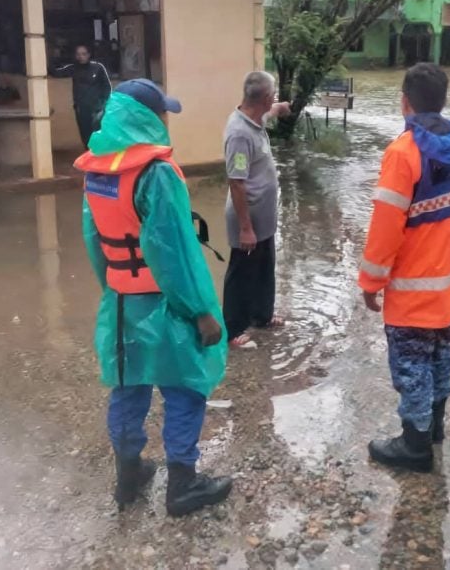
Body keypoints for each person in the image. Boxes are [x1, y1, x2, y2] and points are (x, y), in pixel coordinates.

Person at [74, 78, 232, 517]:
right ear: (146, 117)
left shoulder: (97, 170)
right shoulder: (156, 172)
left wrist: (113, 290)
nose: (165, 120)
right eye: (162, 112)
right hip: (164, 303)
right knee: (185, 385)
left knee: (128, 387)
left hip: (122, 301)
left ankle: (128, 478)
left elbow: (93, 240)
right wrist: (201, 312)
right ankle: (182, 485)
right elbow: (175, 251)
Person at [359, 63, 450, 473]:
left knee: (411, 363)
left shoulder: (403, 152)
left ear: (405, 102)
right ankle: (434, 428)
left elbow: (385, 228)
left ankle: (414, 446)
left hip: (414, 288)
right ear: (444, 101)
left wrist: (371, 281)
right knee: (439, 355)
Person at [222, 71, 291, 349]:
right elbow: (237, 183)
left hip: (263, 216)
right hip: (246, 218)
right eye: (272, 96)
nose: (273, 100)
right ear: (263, 97)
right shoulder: (239, 134)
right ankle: (233, 330)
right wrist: (245, 228)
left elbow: (267, 112)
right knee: (241, 272)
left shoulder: (254, 117)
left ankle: (261, 316)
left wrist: (280, 109)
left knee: (264, 267)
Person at [50, 44, 112, 147]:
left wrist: (103, 105)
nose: (81, 57)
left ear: (88, 55)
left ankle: (99, 158)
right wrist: (50, 58)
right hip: (81, 109)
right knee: (85, 136)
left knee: (98, 135)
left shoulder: (98, 68)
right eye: (78, 54)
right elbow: (56, 73)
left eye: (83, 54)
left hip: (97, 109)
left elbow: (107, 87)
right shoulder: (73, 68)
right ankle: (89, 158)